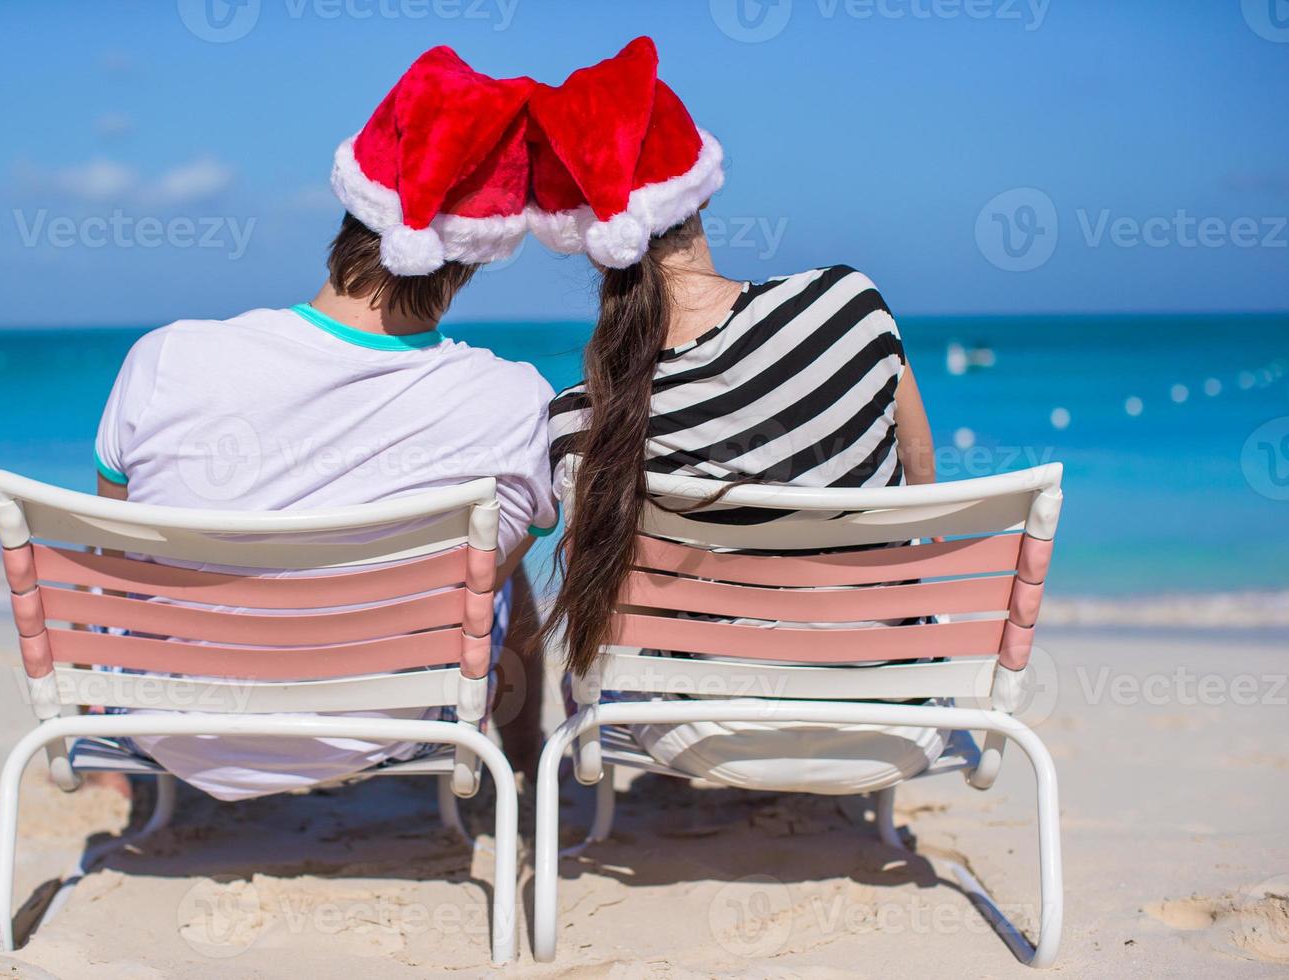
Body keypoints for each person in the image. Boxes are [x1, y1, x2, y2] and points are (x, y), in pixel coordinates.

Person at [90, 47, 554, 801]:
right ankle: (528, 767)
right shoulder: (514, 401)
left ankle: (116, 766)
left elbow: (117, 556)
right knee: (499, 564)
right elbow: (479, 597)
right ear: (476, 258)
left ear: (352, 208)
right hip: (383, 726)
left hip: (172, 722)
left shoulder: (165, 356)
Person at [529, 38, 944, 793]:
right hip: (891, 705)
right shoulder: (848, 304)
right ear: (701, 191)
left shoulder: (584, 418)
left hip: (702, 730)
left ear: (592, 246)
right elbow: (921, 478)